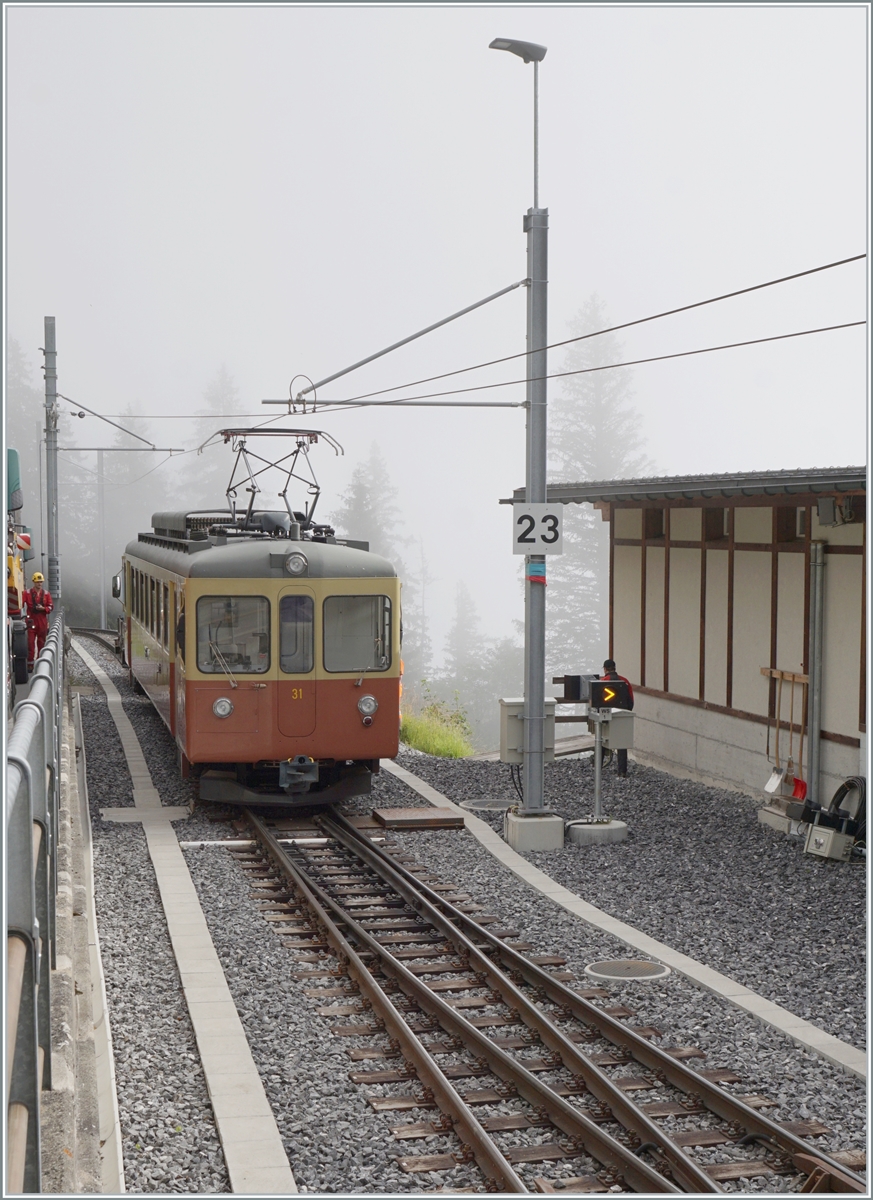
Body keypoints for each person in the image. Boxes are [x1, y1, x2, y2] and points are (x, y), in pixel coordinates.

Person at [601, 658, 634, 778]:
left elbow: (597, 700)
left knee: (602, 739)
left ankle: (598, 767)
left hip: (606, 715)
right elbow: (631, 700)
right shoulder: (625, 681)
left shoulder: (602, 682)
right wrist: (626, 712)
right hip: (622, 715)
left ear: (605, 669)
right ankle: (622, 771)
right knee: (622, 742)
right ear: (615, 668)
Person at [24, 572, 53, 669]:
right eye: (37, 582)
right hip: (31, 621)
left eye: (40, 582)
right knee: (30, 643)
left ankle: (40, 664)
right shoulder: (27, 593)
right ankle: (30, 664)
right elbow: (21, 604)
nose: (39, 584)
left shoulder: (46, 594)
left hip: (42, 622)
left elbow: (50, 606)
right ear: (33, 582)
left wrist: (44, 608)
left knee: (41, 643)